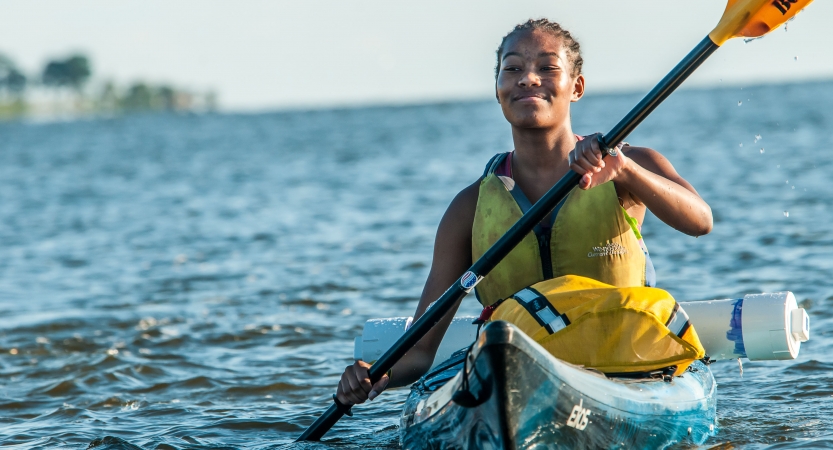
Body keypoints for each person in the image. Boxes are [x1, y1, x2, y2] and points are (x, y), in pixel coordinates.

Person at [335, 18, 713, 406]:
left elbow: (701, 221)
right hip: (519, 385)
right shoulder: (469, 208)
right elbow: (419, 351)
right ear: (498, 90)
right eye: (512, 69)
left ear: (576, 87)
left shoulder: (626, 165)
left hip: (626, 368)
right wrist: (376, 374)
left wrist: (628, 171)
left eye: (548, 68)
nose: (528, 79)